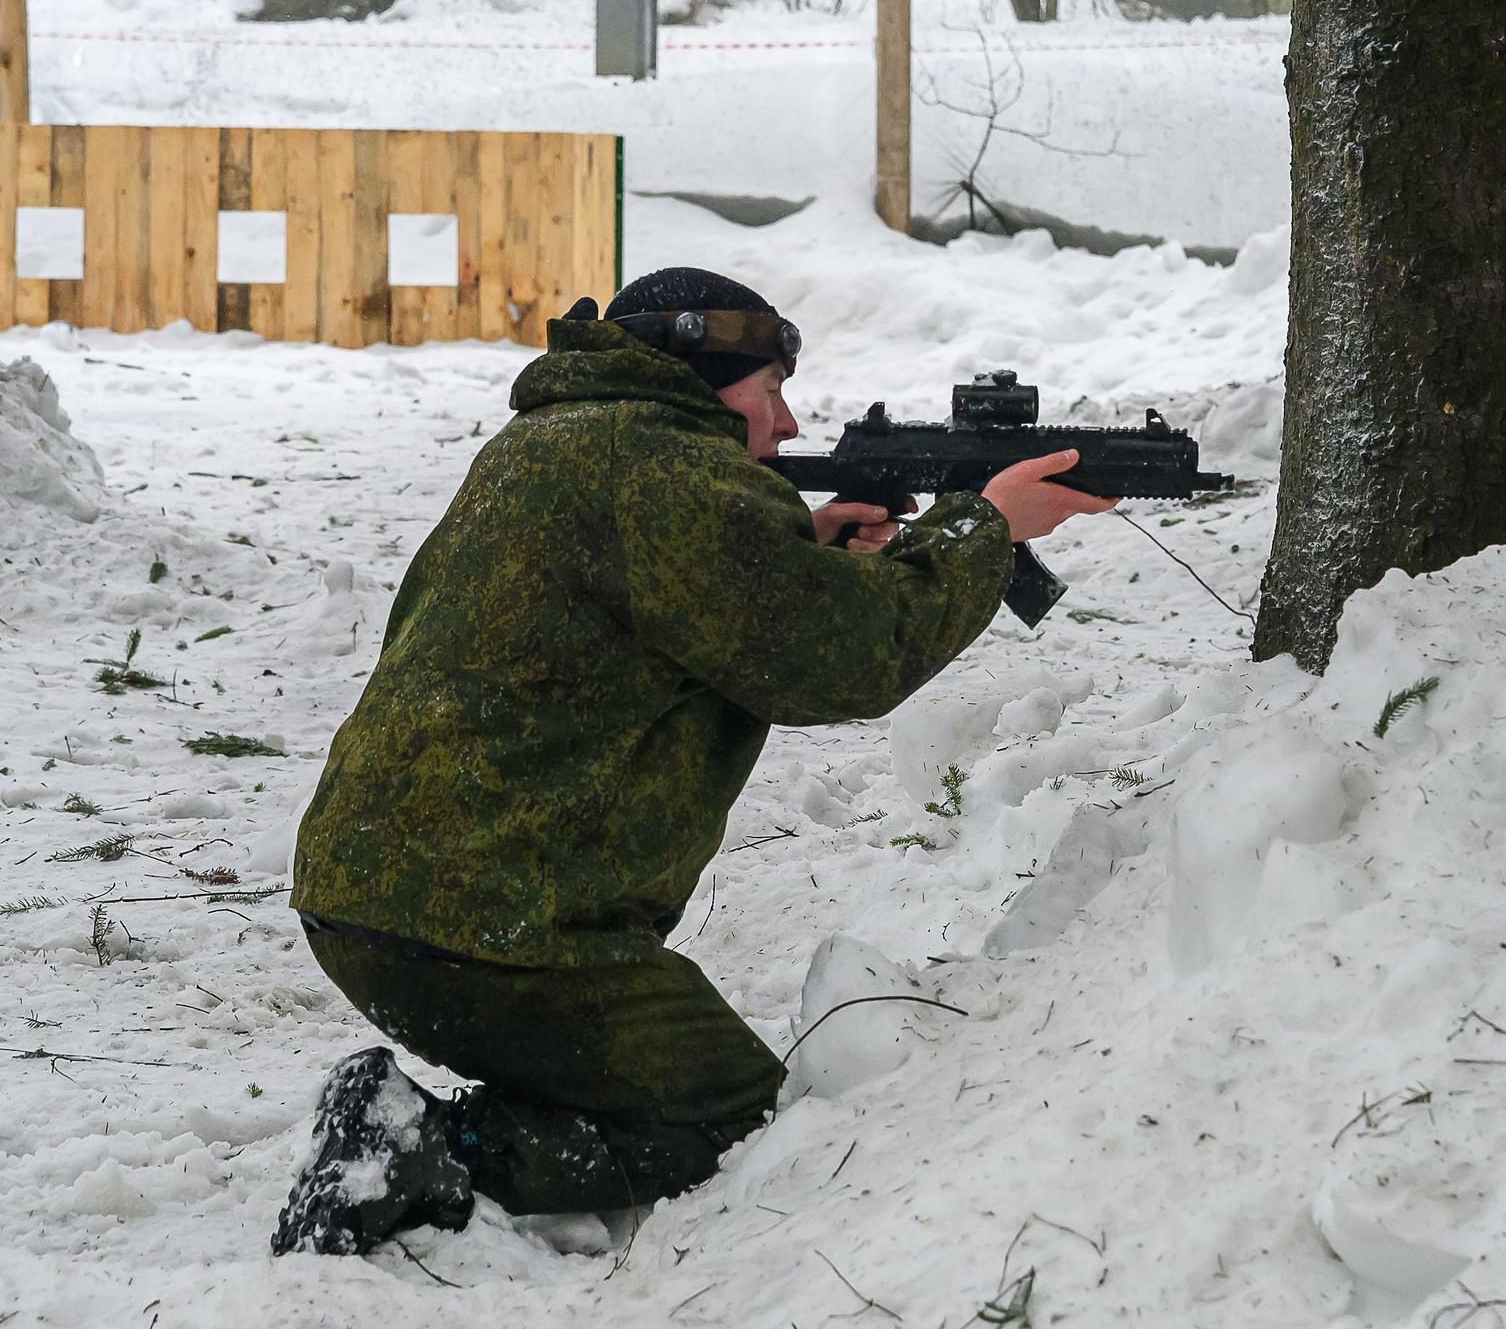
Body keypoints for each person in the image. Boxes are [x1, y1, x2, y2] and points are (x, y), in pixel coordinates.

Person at [270, 267, 1114, 1255]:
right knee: (724, 1119)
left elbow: (631, 591)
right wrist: (987, 524)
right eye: (768, 392)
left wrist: (790, 545)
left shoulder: (571, 439)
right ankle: (417, 1146)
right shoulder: (670, 472)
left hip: (383, 895)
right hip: (492, 932)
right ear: (703, 383)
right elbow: (847, 661)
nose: (789, 421)